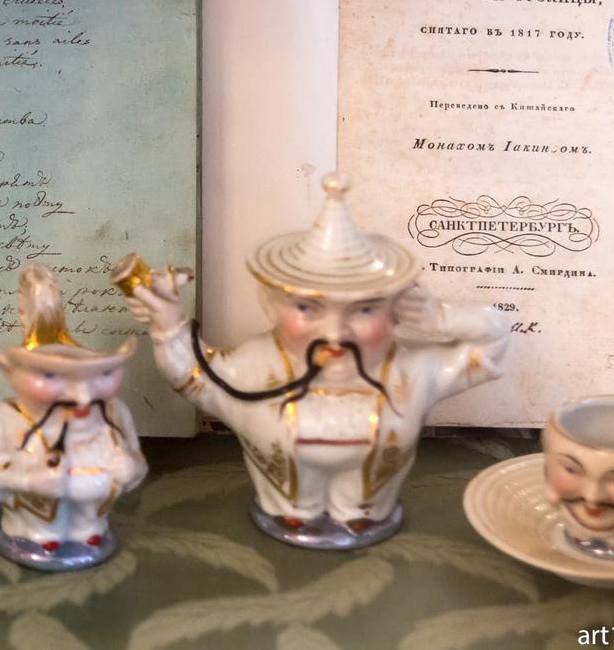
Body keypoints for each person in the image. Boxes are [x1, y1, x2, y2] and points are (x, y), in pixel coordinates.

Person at [120, 173, 510, 548]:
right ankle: (295, 512)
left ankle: (359, 512)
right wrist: (168, 325)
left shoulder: (410, 373)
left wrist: (442, 319)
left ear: (395, 309)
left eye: (363, 310)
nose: (335, 333)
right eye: (308, 308)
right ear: (272, 305)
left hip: (373, 506)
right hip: (283, 503)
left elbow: (491, 346)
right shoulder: (256, 366)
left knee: (360, 500)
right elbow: (196, 378)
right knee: (294, 502)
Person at [0, 263, 148, 570]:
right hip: (34, 514)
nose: (81, 397)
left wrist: (131, 467)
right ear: (11, 372)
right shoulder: (1, 420)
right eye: (51, 377)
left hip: (94, 507)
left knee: (88, 523)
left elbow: (136, 457)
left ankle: (89, 533)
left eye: (101, 375)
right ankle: (40, 537)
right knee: (41, 525)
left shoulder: (114, 413)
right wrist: (30, 480)